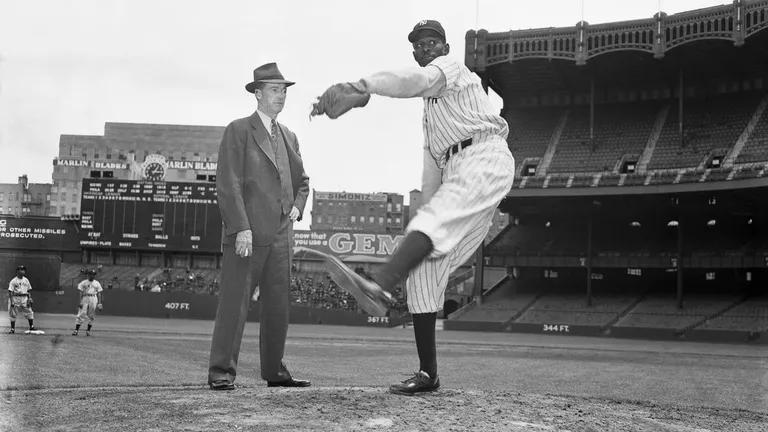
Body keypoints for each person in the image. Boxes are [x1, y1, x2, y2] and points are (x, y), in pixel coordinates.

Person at [312, 20, 515, 395]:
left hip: (484, 156)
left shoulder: (453, 70)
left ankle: (379, 285)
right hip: (459, 170)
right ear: (414, 52)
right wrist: (423, 216)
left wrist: (364, 86)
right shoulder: (430, 115)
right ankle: (428, 374)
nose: (426, 49)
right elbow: (431, 171)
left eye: (432, 42)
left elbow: (417, 81)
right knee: (423, 271)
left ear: (445, 47)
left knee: (434, 222)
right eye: (420, 45)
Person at [208, 62, 310, 391]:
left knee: (278, 307)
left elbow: (303, 182)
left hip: (282, 235)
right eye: (275, 90)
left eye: (284, 91)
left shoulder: (290, 135)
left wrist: (296, 207)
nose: (281, 96)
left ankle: (275, 372)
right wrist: (241, 227)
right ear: (257, 93)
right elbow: (228, 183)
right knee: (234, 306)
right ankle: (221, 372)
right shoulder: (238, 130)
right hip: (248, 233)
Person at [72, 270, 103, 336]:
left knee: (91, 315)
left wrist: (100, 303)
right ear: (88, 275)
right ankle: (76, 330)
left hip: (94, 298)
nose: (92, 275)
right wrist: (80, 302)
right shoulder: (83, 282)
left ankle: (88, 331)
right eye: (91, 274)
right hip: (85, 297)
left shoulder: (97, 283)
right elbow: (80, 292)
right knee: (81, 313)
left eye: (93, 274)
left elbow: (99, 293)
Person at [7, 265, 36, 334]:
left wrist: (30, 298)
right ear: (17, 271)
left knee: (29, 311)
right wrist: (12, 301)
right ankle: (12, 329)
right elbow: (10, 291)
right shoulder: (13, 281)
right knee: (13, 313)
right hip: (15, 297)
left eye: (23, 270)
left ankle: (31, 326)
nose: (22, 271)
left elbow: (28, 290)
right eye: (21, 269)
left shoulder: (26, 280)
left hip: (24, 298)